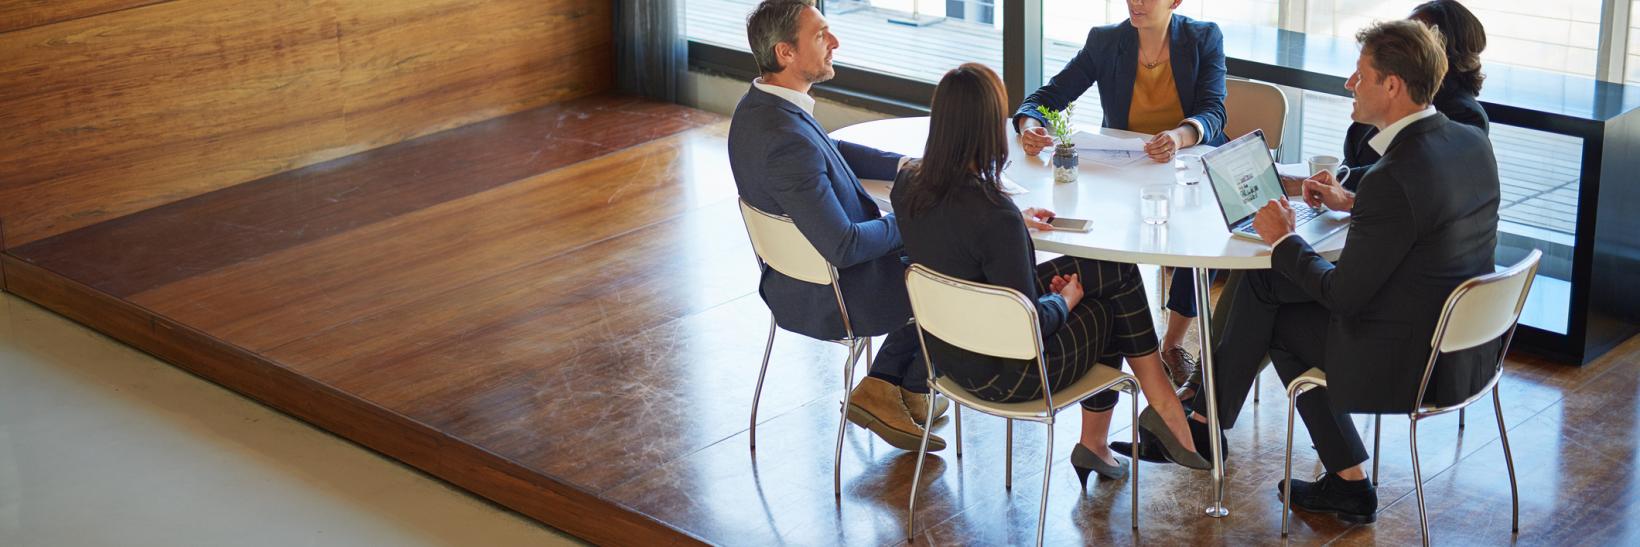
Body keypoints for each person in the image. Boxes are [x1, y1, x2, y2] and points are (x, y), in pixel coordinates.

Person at [1169, 19, 1503, 524]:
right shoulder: (1468, 142)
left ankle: (1205, 424)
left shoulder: (1395, 176)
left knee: (1274, 307)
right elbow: (1415, 216)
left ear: (1392, 86)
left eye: (1360, 74)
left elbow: (1342, 297)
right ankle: (1212, 425)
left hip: (1411, 363)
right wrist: (1350, 200)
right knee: (1268, 283)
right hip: (1468, 347)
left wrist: (1284, 238)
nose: (1349, 83)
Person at [893, 63, 1211, 486]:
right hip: (1010, 374)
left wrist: (1018, 224)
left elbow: (958, 246)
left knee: (1109, 267)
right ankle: (1162, 411)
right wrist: (1064, 301)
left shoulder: (909, 184)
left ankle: (1110, 438)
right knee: (1109, 301)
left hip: (948, 357)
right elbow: (1028, 327)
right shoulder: (994, 214)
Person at [727, 0, 950, 452]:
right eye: (820, 35)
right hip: (838, 297)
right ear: (786, 53)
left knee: (942, 247)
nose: (835, 42)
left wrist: (910, 166)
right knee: (956, 262)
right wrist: (915, 219)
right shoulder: (785, 141)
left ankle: (907, 388)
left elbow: (832, 150)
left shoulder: (760, 110)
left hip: (792, 283)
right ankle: (885, 385)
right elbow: (845, 246)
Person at [1012, 0, 1229, 439]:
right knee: (1103, 259)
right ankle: (1103, 415)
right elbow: (1045, 98)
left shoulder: (1203, 38)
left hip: (1188, 166)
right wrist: (1028, 126)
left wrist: (1178, 135)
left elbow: (1213, 111)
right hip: (1126, 171)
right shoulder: (1105, 40)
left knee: (1194, 241)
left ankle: (1172, 344)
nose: (1136, 2)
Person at [1337, 0, 1489, 192]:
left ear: (1436, 50)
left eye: (1414, 34)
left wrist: (1337, 180)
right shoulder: (1379, 101)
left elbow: (1417, 176)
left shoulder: (1465, 116)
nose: (1399, 40)